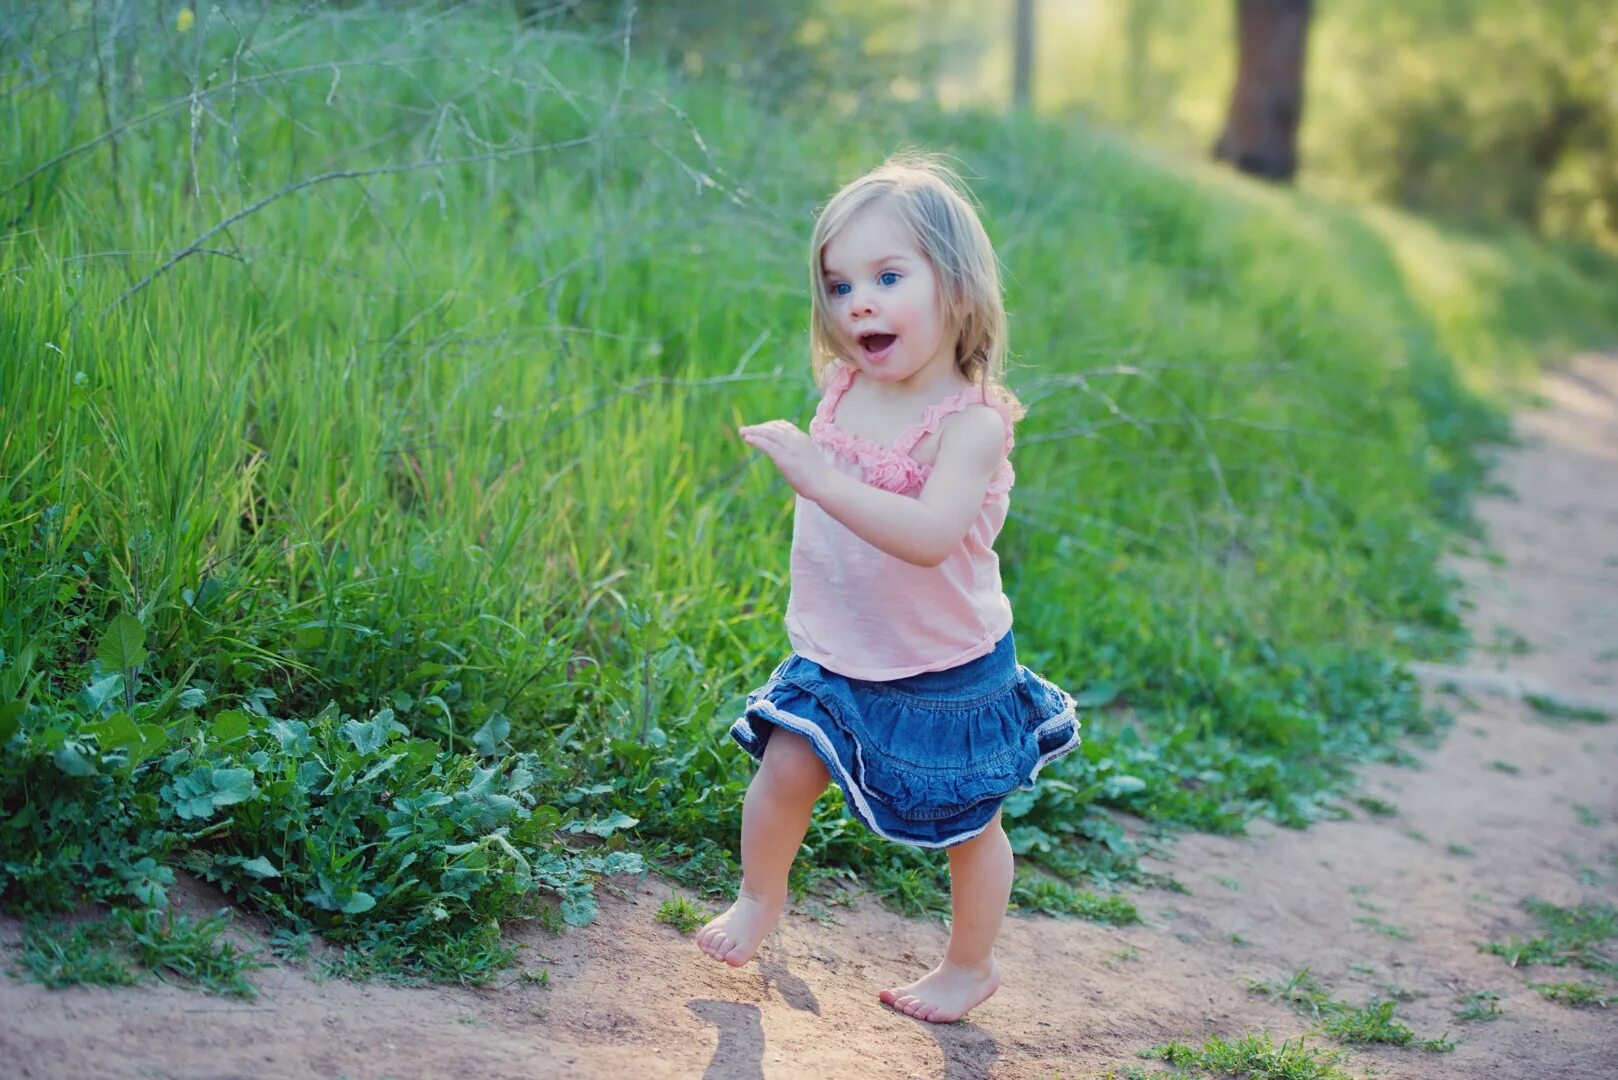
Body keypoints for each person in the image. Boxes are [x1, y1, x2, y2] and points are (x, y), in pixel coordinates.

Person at [696, 151, 1081, 1025]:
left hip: (943, 669)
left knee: (967, 825)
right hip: (839, 651)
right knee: (786, 767)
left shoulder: (972, 426)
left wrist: (818, 480)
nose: (857, 302)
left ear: (958, 288)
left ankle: (968, 963)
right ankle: (759, 899)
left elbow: (927, 537)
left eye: (887, 276)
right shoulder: (847, 387)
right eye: (837, 285)